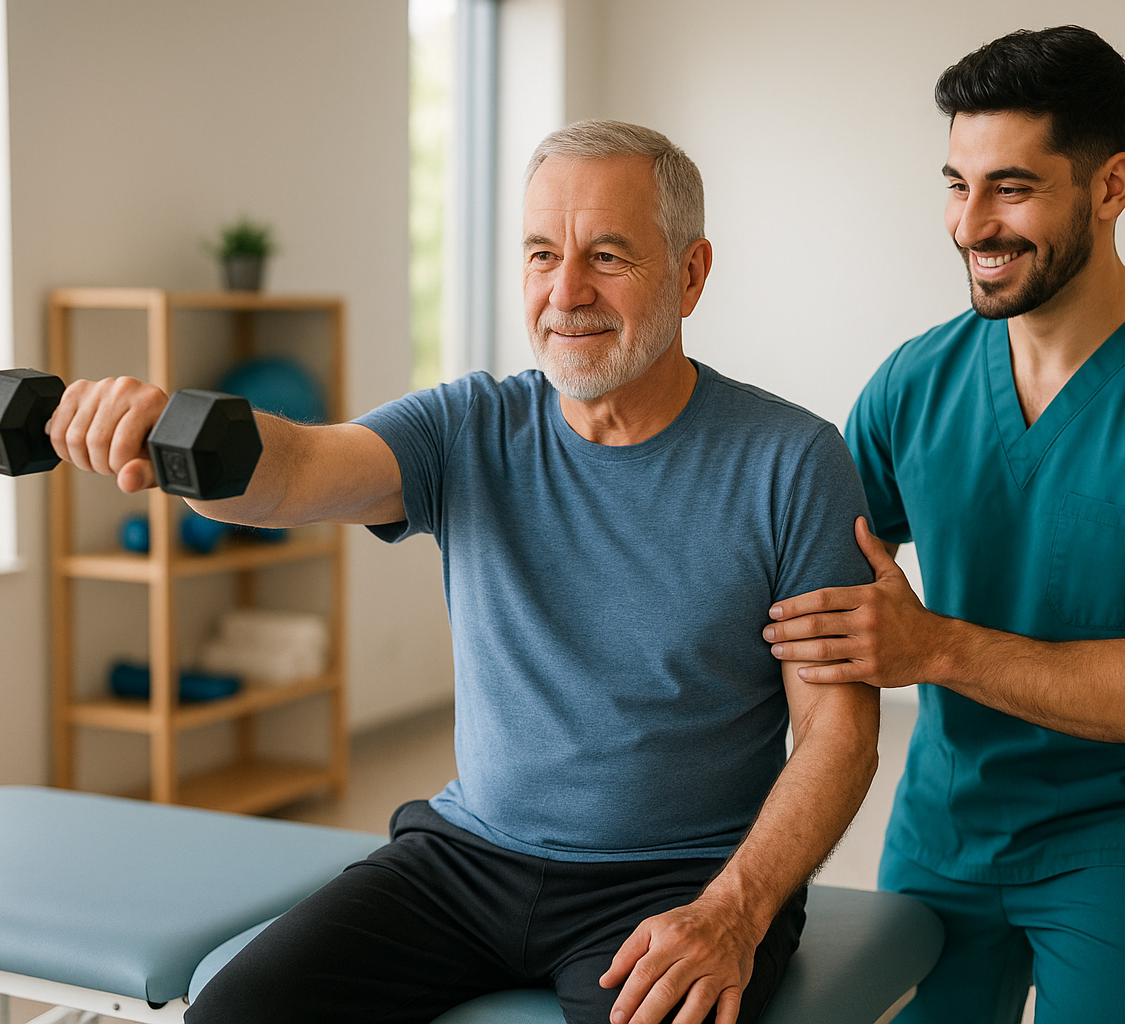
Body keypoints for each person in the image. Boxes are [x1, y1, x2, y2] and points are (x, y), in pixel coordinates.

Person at [45, 121, 879, 1024]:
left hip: (681, 879)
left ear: (690, 274)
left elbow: (837, 731)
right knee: (233, 1014)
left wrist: (736, 911)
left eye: (607, 256)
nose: (566, 292)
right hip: (466, 860)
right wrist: (177, 436)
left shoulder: (794, 463)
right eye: (541, 254)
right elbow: (296, 471)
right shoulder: (469, 428)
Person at [764, 26, 1125, 1024]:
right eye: (956, 184)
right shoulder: (914, 382)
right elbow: (810, 583)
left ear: (1111, 186)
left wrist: (932, 646)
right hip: (945, 822)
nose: (971, 224)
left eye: (1011, 188)